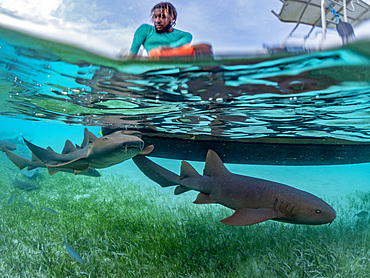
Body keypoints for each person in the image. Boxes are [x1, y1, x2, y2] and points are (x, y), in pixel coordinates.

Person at [129, 2, 194, 58]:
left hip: (178, 67)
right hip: (153, 67)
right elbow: (133, 52)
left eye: (163, 17)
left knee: (202, 48)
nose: (157, 21)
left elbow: (185, 40)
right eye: (155, 17)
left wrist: (163, 49)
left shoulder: (184, 35)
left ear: (172, 18)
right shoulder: (145, 29)